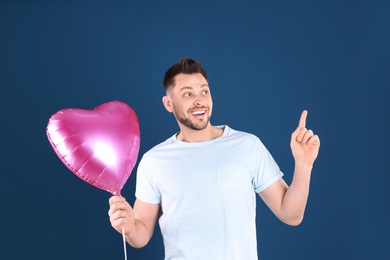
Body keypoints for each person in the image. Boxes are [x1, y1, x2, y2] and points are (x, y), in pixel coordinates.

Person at [108, 57, 320, 259]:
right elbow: (141, 234)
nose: (199, 101)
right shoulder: (154, 160)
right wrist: (128, 226)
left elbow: (291, 215)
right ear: (168, 103)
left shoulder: (247, 145)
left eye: (204, 92)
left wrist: (303, 165)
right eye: (188, 94)